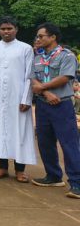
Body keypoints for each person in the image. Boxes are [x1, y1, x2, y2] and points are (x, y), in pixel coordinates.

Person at [0, 17, 36, 182]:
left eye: (9, 28)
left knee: (20, 131)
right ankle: (2, 167)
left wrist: (26, 98)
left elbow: (29, 75)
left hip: (18, 97)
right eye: (3, 29)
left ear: (16, 29)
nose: (6, 31)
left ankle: (20, 170)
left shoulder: (26, 48)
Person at [30, 23, 80, 199]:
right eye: (37, 36)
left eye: (41, 36)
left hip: (62, 104)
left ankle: (77, 182)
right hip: (43, 104)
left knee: (69, 143)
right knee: (45, 141)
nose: (38, 39)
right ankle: (53, 176)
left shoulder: (67, 56)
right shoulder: (37, 57)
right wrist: (45, 93)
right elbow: (32, 78)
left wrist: (43, 87)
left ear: (53, 37)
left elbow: (65, 77)